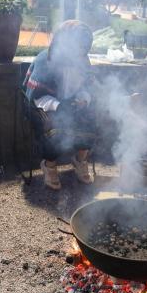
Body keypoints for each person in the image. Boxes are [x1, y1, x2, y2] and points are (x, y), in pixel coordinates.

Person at [23, 20, 96, 190]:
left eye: (84, 48)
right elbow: (36, 97)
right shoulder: (45, 60)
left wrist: (84, 98)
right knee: (54, 128)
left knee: (91, 122)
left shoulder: (83, 61)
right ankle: (49, 166)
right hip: (43, 107)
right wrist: (59, 106)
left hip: (71, 105)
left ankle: (79, 161)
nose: (80, 53)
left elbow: (87, 87)